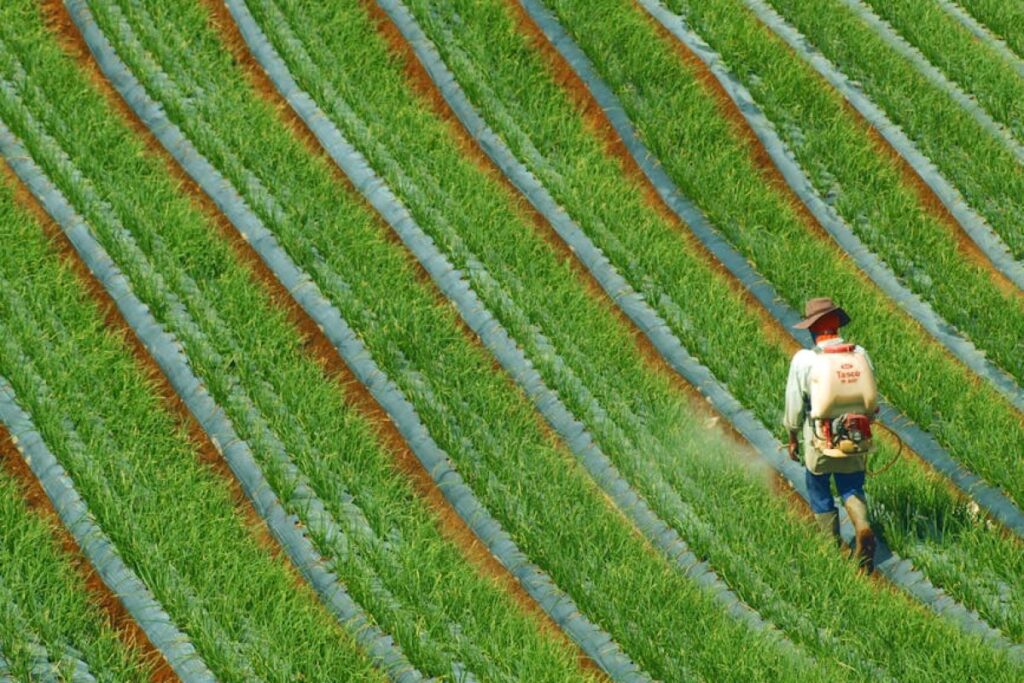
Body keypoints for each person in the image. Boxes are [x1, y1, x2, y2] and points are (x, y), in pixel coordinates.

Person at [784, 297, 876, 572]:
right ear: (836, 324)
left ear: (813, 329)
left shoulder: (805, 360)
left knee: (818, 485)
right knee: (851, 486)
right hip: (856, 435)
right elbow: (871, 397)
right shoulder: (859, 353)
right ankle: (862, 525)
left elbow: (794, 404)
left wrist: (791, 435)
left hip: (821, 438)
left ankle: (833, 548)